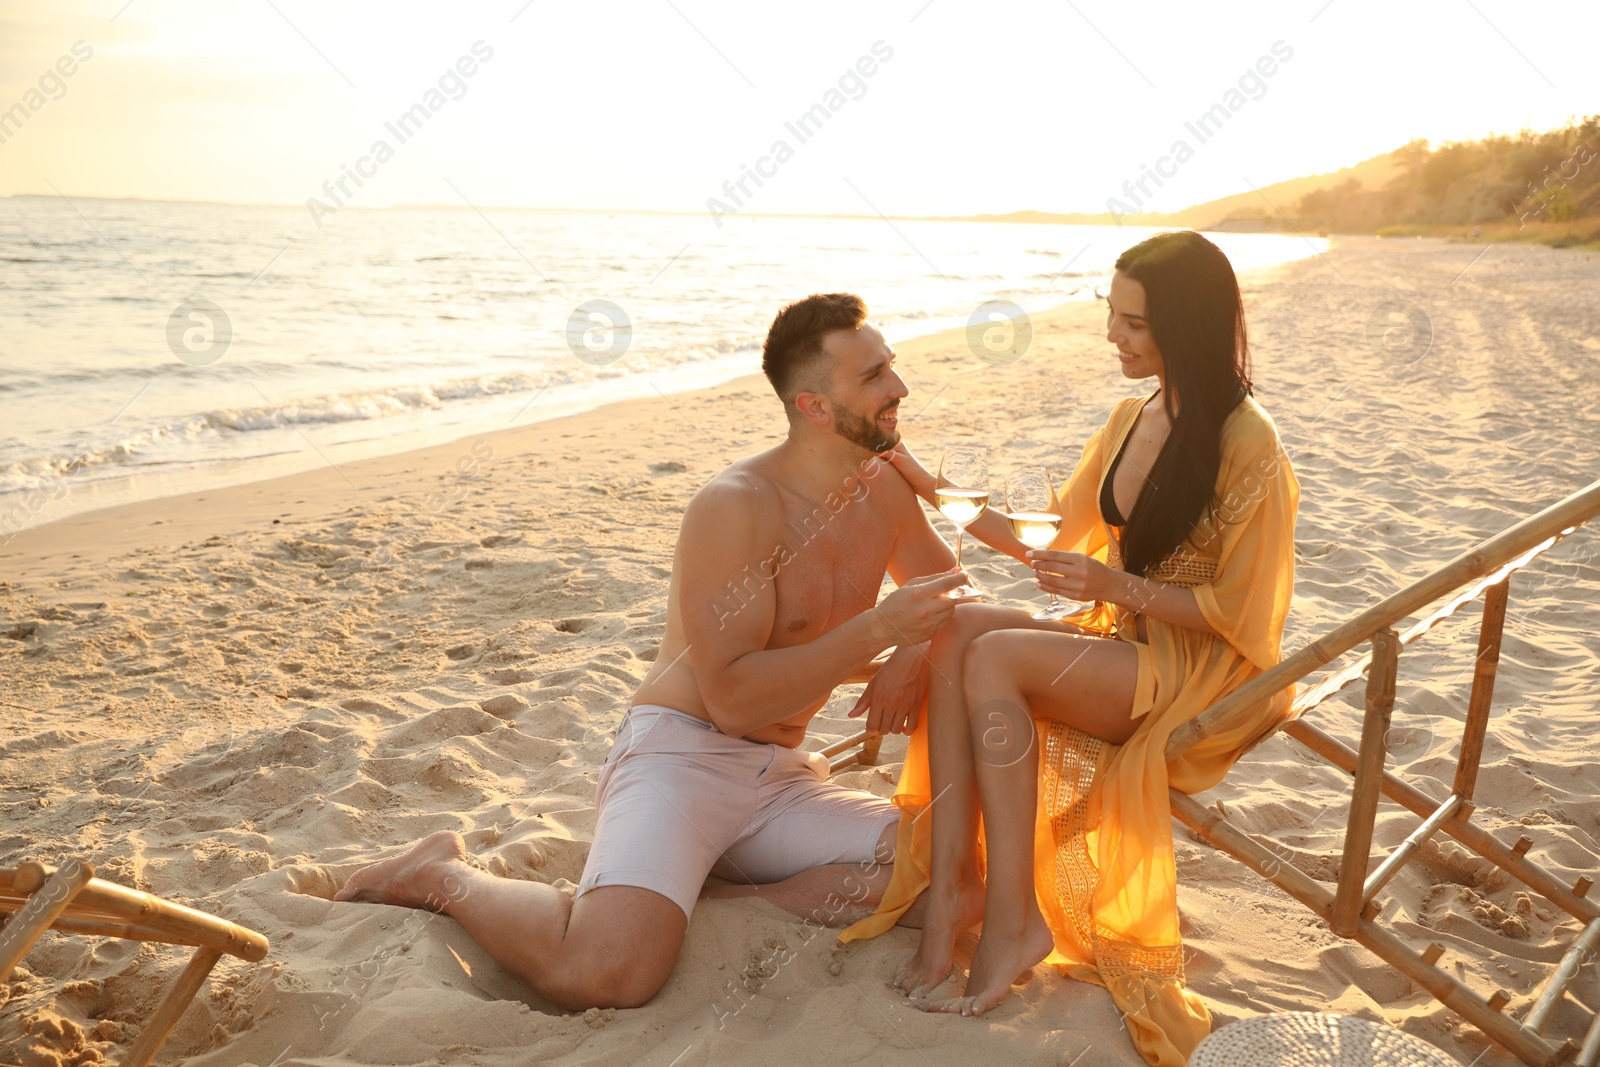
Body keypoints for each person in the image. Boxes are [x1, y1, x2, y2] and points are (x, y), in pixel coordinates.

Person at [332, 293, 968, 1010]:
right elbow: (729, 697)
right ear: (814, 406)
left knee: (957, 871)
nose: (899, 388)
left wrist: (917, 649)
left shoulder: (881, 487)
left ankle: (713, 893)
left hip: (782, 779)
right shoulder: (735, 506)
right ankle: (441, 875)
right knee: (607, 972)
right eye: (875, 375)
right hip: (682, 759)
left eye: (893, 367)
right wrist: (883, 632)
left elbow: (951, 591)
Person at [839, 230, 1301, 1066]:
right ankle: (954, 892)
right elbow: (1038, 536)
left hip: (1204, 670)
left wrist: (1114, 588)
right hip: (1127, 639)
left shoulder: (1249, 442)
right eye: (1111, 315)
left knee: (997, 657)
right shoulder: (1134, 416)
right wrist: (903, 459)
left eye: (1132, 323)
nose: (1113, 338)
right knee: (956, 631)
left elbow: (1245, 612)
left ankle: (1015, 920)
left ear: (1186, 327)